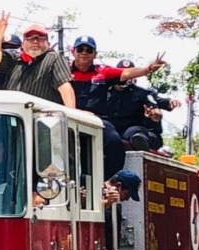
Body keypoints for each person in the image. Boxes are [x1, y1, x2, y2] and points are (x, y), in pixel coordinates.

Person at [68, 36, 166, 179]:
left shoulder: (102, 72)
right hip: (68, 117)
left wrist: (148, 68)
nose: (84, 53)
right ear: (73, 52)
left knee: (115, 142)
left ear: (95, 54)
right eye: (80, 49)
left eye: (88, 50)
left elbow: (126, 73)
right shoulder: (63, 71)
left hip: (96, 121)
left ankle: (107, 181)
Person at [0, 13, 76, 108]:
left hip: (44, 118)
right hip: (15, 116)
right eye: (30, 38)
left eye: (40, 38)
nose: (35, 42)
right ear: (22, 44)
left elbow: (65, 87)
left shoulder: (54, 58)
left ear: (48, 43)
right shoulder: (14, 59)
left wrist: (73, 114)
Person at [107, 59, 182, 151]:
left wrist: (169, 103)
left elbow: (158, 104)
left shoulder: (142, 93)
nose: (126, 76)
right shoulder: (103, 91)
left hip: (131, 131)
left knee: (136, 132)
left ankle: (141, 145)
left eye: (130, 73)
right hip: (109, 130)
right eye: (123, 73)